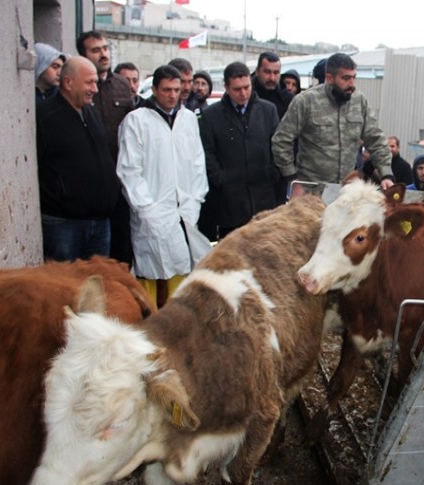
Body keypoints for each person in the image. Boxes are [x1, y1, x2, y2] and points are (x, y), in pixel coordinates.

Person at [117, 64, 208, 307]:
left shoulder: (188, 119)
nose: (172, 95)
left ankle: (177, 331)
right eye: (166, 89)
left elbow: (197, 163)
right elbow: (129, 171)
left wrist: (194, 200)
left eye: (176, 89)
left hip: (183, 212)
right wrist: (147, 209)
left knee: (181, 273)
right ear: (154, 89)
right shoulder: (136, 121)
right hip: (151, 214)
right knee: (151, 275)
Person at [272, 52, 393, 197]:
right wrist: (293, 179)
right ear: (329, 78)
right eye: (346, 78)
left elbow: (375, 138)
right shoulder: (305, 101)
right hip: (311, 192)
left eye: (354, 77)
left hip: (345, 193)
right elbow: (281, 141)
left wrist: (386, 174)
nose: (352, 84)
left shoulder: (359, 101)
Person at [36, 56, 119, 261]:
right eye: (89, 82)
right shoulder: (45, 116)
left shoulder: (91, 113)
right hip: (65, 224)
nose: (95, 89)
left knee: (97, 286)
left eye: (96, 83)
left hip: (100, 223)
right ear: (68, 83)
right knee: (65, 288)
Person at [198, 62, 281, 241]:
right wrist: (220, 178)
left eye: (246, 87)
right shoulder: (211, 115)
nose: (243, 93)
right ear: (226, 88)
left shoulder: (268, 110)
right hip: (230, 201)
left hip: (263, 198)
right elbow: (207, 152)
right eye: (237, 89)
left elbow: (277, 146)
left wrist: (272, 172)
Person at [78, 31, 135, 265]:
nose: (103, 54)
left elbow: (134, 129)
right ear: (83, 55)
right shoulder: (77, 87)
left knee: (122, 248)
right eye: (95, 50)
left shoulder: (121, 85)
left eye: (105, 48)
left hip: (120, 179)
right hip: (89, 183)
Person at [252, 52, 294, 119]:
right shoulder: (245, 94)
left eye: (276, 73)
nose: (272, 78)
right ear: (257, 71)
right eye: (267, 72)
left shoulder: (288, 100)